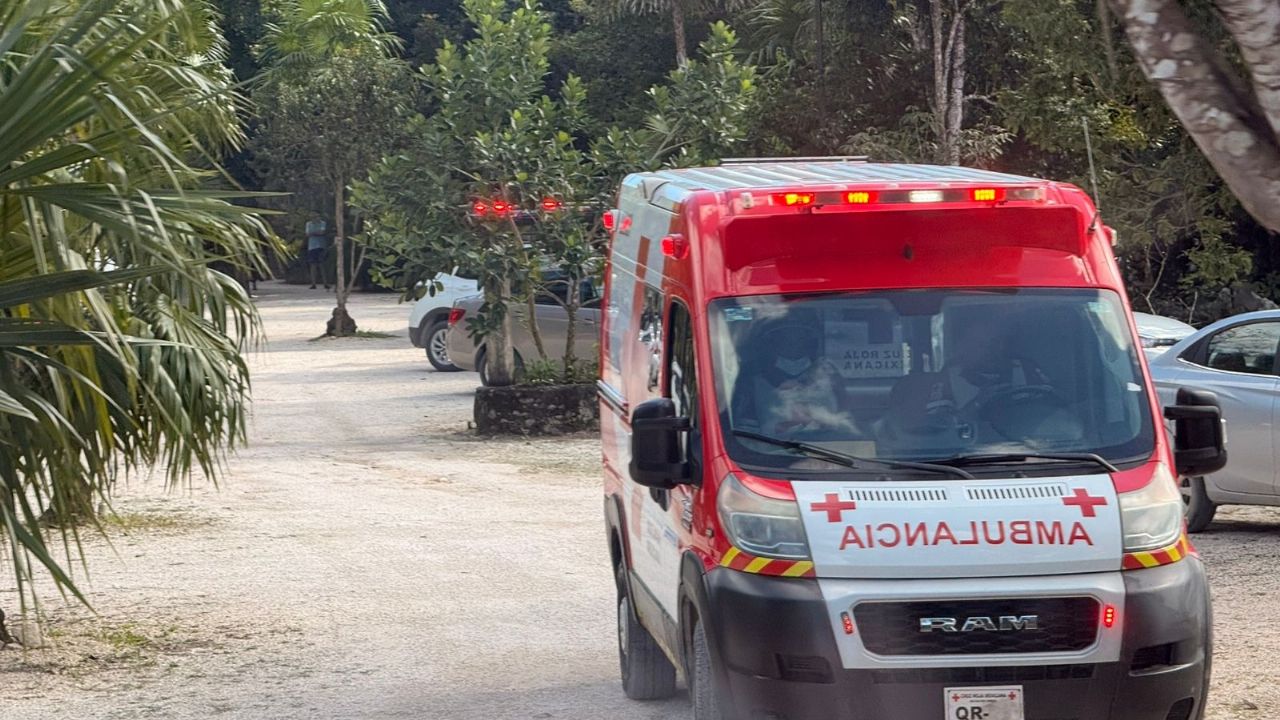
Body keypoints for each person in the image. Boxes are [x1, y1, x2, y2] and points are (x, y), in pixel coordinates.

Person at [733, 314, 853, 439]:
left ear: (812, 344)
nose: (794, 346)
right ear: (771, 345)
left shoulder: (830, 376)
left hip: (832, 450)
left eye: (800, 339)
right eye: (785, 340)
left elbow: (847, 426)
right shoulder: (753, 385)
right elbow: (746, 438)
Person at [305, 217, 328, 289]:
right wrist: (316, 232)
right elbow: (307, 234)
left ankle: (325, 283)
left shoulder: (323, 223)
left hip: (321, 246)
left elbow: (322, 232)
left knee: (322, 265)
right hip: (312, 247)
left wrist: (313, 233)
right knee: (313, 265)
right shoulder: (308, 224)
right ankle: (313, 283)